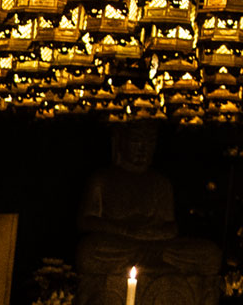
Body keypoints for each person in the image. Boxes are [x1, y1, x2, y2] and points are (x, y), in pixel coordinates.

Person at [75, 122, 221, 305]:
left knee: (211, 254)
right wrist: (127, 232)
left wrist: (153, 235)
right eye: (136, 140)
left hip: (158, 247)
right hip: (123, 245)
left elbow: (171, 227)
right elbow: (86, 221)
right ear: (120, 141)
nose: (143, 148)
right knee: (88, 252)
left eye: (150, 141)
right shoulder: (102, 179)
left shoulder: (160, 183)